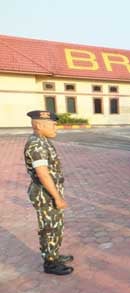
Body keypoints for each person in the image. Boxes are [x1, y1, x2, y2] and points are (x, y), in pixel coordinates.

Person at [24, 110, 74, 275]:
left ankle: (54, 254)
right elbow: (43, 174)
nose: (55, 128)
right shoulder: (36, 144)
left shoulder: (42, 140)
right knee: (49, 228)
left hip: (50, 192)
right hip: (45, 193)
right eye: (52, 125)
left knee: (56, 226)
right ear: (39, 125)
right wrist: (57, 197)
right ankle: (50, 263)